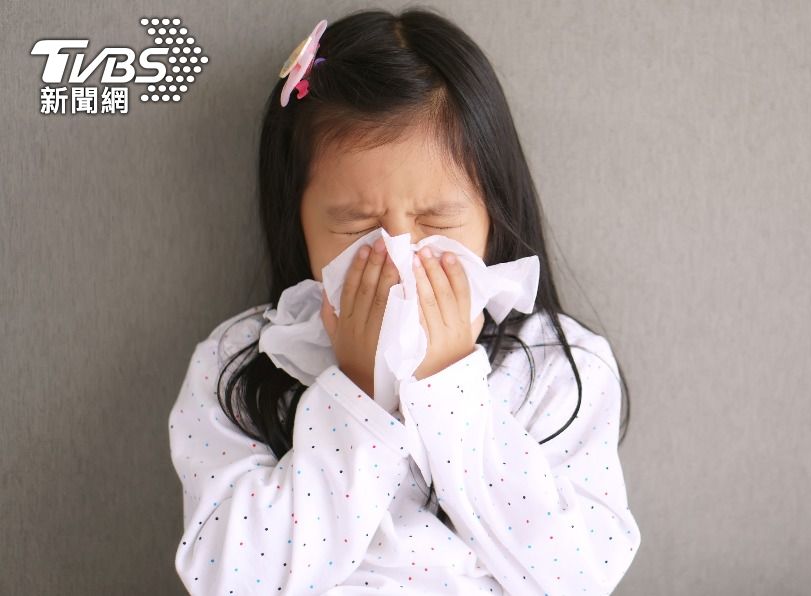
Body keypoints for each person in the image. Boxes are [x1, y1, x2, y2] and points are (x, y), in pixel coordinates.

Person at [168, 7, 640, 595]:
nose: (398, 256)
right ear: (300, 225)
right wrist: (358, 397)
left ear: (494, 212)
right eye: (356, 225)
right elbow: (229, 579)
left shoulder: (555, 367)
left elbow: (579, 574)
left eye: (437, 220)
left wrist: (449, 391)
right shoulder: (241, 365)